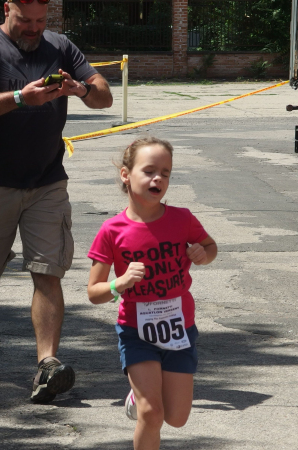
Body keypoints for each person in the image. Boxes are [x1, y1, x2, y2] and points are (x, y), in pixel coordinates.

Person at [0, 0, 113, 403]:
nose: (34, 28)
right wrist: (20, 99)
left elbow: (104, 98)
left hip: (47, 180)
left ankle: (47, 364)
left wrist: (81, 89)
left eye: (41, 21)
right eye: (26, 20)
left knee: (47, 270)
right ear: (7, 10)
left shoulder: (60, 47)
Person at [87, 137, 217, 450]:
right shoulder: (111, 230)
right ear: (125, 175)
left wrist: (204, 253)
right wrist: (119, 283)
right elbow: (94, 292)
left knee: (176, 417)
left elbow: (211, 247)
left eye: (165, 173)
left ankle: (138, 394)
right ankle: (143, 398)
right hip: (135, 331)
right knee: (152, 412)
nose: (157, 178)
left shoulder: (182, 219)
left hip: (179, 329)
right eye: (149, 171)